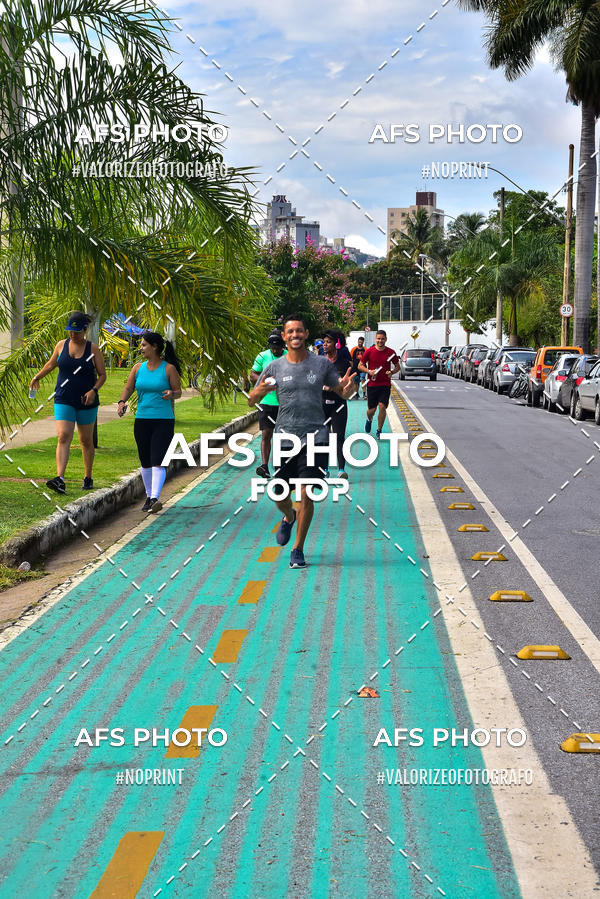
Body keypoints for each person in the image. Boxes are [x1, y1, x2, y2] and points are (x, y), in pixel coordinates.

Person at [248, 315, 354, 569]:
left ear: (306, 334)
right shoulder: (274, 367)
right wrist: (257, 394)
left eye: (299, 331)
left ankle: (298, 548)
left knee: (306, 493)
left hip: (316, 436)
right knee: (279, 493)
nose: (295, 335)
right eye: (290, 332)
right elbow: (251, 399)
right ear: (285, 337)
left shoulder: (320, 365)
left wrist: (347, 389)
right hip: (286, 437)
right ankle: (288, 516)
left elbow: (341, 391)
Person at [29, 312, 106, 494]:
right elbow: (51, 364)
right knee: (63, 435)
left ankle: (87, 476)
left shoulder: (92, 349)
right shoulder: (61, 345)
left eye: (77, 331)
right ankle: (60, 479)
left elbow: (102, 375)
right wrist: (37, 376)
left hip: (86, 400)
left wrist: (93, 391)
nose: (73, 334)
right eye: (70, 330)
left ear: (85, 330)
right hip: (63, 397)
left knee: (85, 440)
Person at [117, 331, 182, 513]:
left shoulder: (168, 369)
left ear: (155, 347)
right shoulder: (138, 368)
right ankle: (148, 496)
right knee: (145, 460)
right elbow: (129, 387)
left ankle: (155, 498)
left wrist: (172, 394)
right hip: (142, 419)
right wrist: (122, 402)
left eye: (144, 345)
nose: (141, 348)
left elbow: (178, 391)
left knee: (157, 460)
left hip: (163, 420)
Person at [249, 329, 287, 478]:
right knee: (266, 434)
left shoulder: (289, 357)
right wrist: (264, 381)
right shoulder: (262, 356)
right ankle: (264, 466)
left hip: (285, 403)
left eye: (278, 347)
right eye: (273, 347)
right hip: (266, 402)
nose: (275, 350)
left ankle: (282, 466)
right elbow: (252, 374)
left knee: (283, 436)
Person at [358, 329, 400, 438]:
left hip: (385, 384)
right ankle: (369, 419)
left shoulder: (391, 352)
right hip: (372, 385)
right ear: (375, 339)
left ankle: (379, 430)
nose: (380, 341)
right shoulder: (369, 351)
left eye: (382, 339)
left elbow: (397, 367)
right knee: (371, 410)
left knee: (382, 406)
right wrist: (369, 371)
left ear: (386, 339)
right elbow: (360, 365)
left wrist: (391, 372)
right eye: (378, 339)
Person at [322, 329, 352, 479]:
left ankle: (341, 470)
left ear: (337, 344)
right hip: (321, 405)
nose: (325, 344)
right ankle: (324, 470)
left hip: (339, 405)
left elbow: (350, 390)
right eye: (324, 342)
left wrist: (346, 387)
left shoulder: (344, 363)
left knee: (339, 436)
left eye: (328, 342)